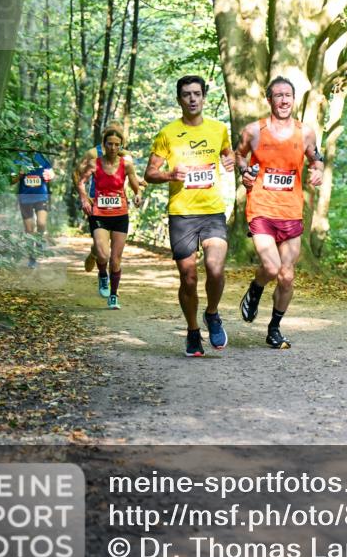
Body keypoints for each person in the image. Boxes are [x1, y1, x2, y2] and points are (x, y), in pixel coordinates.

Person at [144, 75, 236, 356]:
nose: (193, 99)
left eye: (197, 93)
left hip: (212, 211)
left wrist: (231, 159)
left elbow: (228, 155)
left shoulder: (219, 129)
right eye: (187, 94)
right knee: (188, 279)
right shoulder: (167, 134)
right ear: (179, 99)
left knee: (216, 268)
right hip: (182, 214)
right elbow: (149, 173)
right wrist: (169, 174)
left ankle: (212, 313)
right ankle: (193, 330)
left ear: (204, 97)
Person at [236, 76, 324, 349]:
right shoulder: (254, 131)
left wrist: (318, 170)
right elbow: (240, 156)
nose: (284, 100)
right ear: (269, 99)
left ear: (293, 99)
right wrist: (244, 172)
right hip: (261, 208)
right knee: (272, 267)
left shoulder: (305, 132)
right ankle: (256, 288)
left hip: (291, 212)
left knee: (287, 276)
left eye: (288, 95)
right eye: (278, 95)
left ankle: (274, 328)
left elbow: (316, 157)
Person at [77, 128, 142, 309]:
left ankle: (113, 296)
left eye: (116, 144)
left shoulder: (126, 165)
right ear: (104, 145)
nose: (113, 147)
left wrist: (137, 194)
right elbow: (81, 182)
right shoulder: (94, 164)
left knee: (115, 259)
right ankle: (102, 275)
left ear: (121, 145)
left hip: (120, 214)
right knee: (103, 254)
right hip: (99, 214)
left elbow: (135, 185)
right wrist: (84, 198)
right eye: (109, 144)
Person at [11, 150, 55, 269]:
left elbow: (51, 173)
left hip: (41, 196)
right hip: (25, 198)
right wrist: (18, 175)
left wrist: (50, 175)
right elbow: (11, 180)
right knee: (29, 230)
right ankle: (32, 257)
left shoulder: (41, 156)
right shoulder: (18, 158)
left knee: (41, 223)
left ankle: (39, 242)